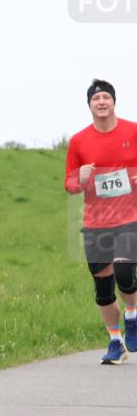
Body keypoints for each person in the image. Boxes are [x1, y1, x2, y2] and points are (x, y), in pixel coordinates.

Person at [65, 79, 137, 365]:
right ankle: (115, 342)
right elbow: (69, 184)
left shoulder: (133, 131)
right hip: (96, 222)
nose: (102, 101)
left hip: (130, 217)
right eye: (96, 98)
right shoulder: (79, 141)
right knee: (104, 289)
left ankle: (132, 315)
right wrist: (79, 178)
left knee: (124, 271)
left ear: (114, 102)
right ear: (90, 105)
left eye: (106, 96)